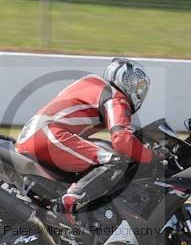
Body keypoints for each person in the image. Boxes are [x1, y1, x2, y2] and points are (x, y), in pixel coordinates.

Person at [16, 57, 160, 227]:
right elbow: (122, 141)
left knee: (98, 154)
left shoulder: (91, 83)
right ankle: (70, 203)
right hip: (49, 136)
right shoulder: (115, 97)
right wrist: (150, 156)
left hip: (34, 136)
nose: (138, 91)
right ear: (124, 81)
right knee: (116, 160)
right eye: (136, 85)